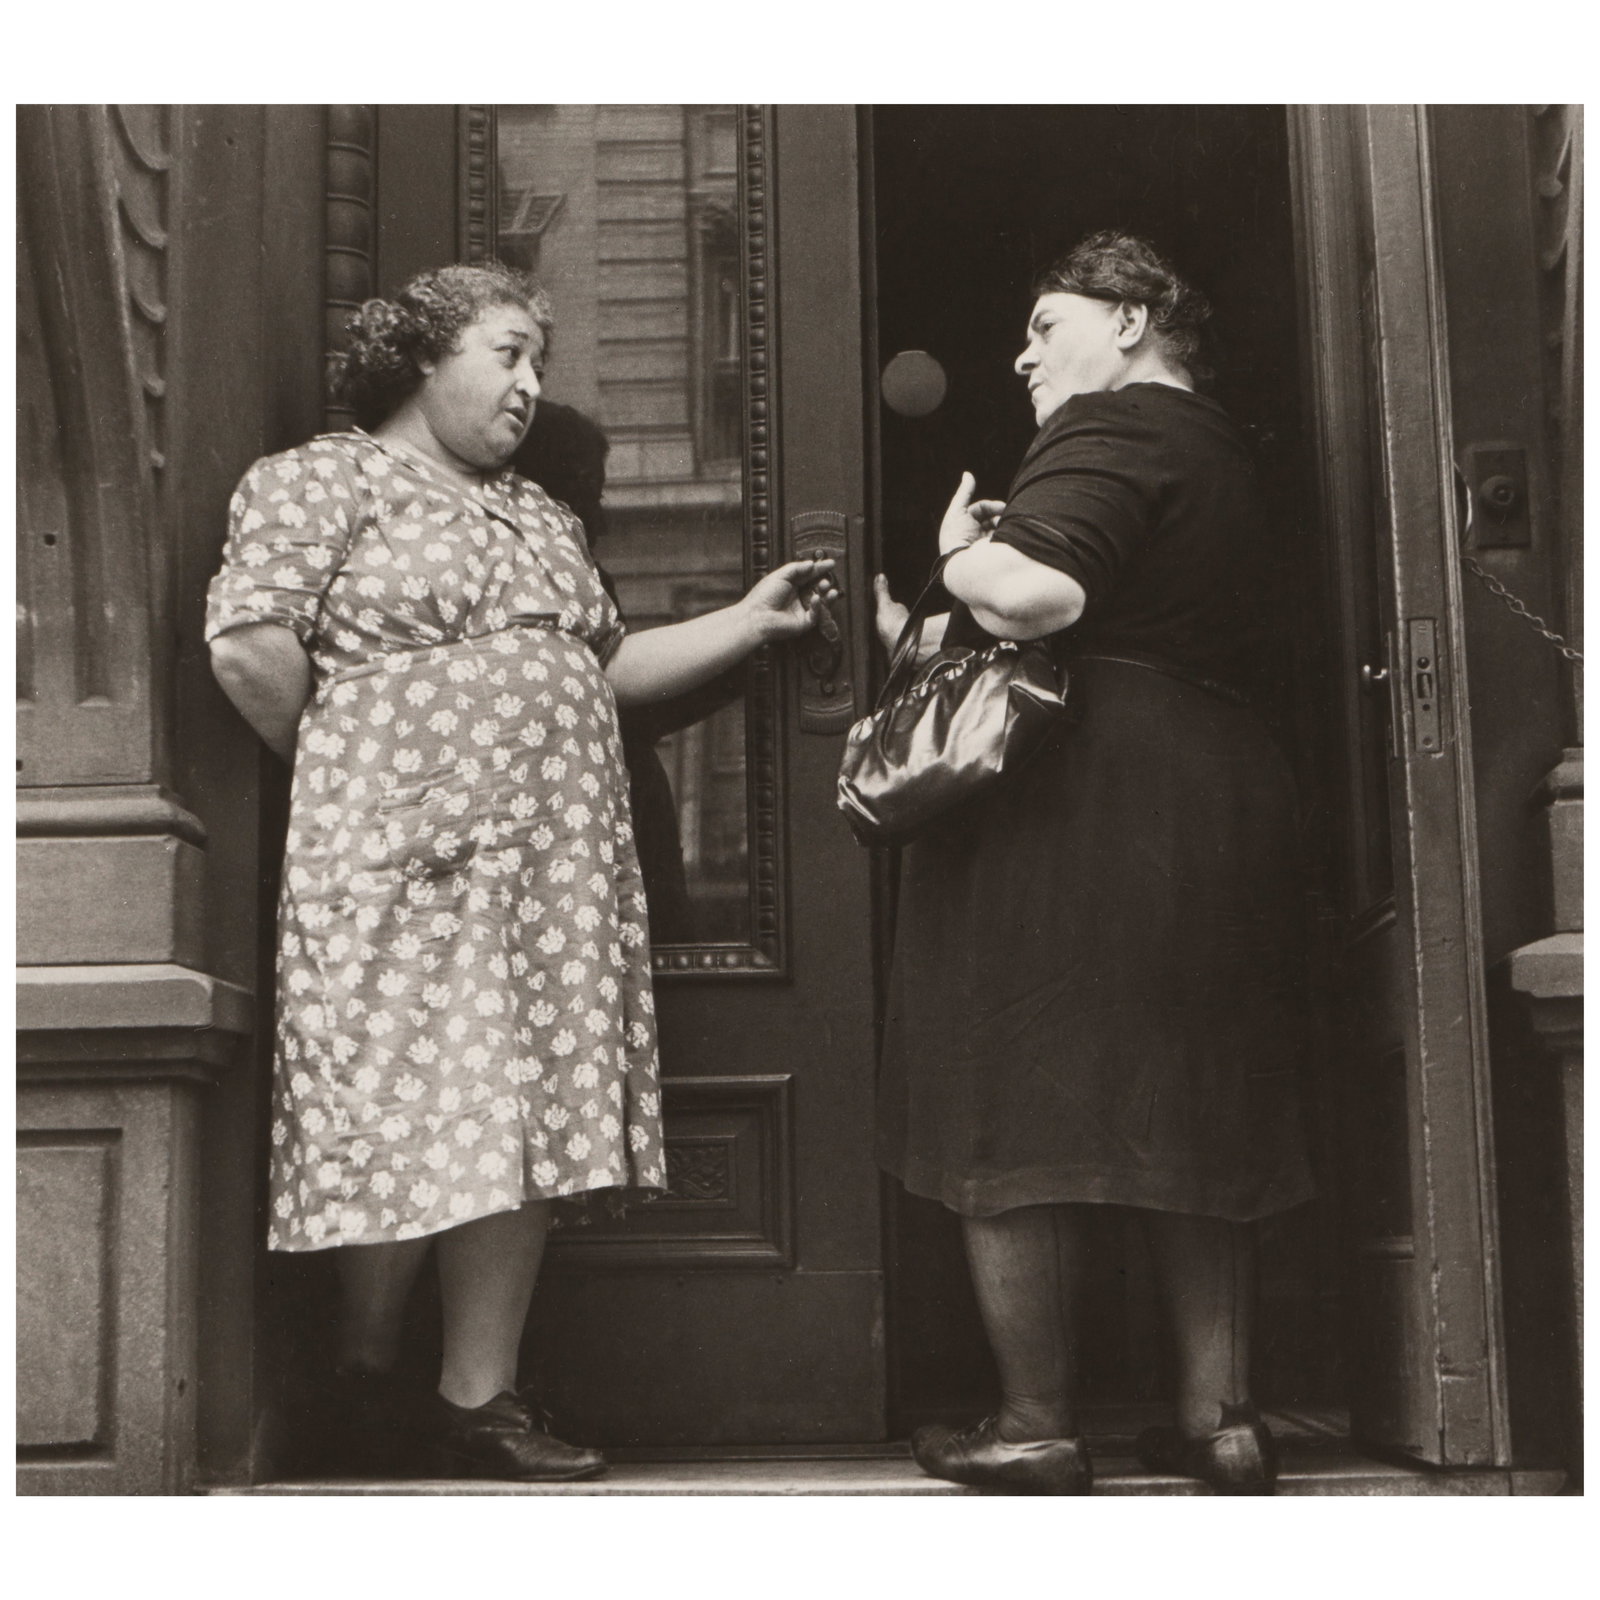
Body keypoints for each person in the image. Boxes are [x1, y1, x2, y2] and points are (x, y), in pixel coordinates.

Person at [206, 262, 835, 1481]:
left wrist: (748, 623)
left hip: (549, 874)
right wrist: (365, 772)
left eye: (538, 363)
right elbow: (249, 648)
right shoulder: (319, 479)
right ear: (422, 357)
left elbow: (604, 669)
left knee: (520, 1106)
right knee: (397, 1088)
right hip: (393, 857)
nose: (529, 387)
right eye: (507, 354)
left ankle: (475, 1394)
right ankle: (363, 1361)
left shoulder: (538, 515)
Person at [873, 231, 1313, 1495]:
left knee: (1006, 1084)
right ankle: (1220, 1419)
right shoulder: (1225, 448)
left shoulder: (1105, 425)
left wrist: (958, 553)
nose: (1022, 354)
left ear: (1130, 320)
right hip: (1220, 784)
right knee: (1198, 1097)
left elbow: (1040, 595)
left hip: (1084, 795)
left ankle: (1033, 1421)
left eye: (1044, 323)